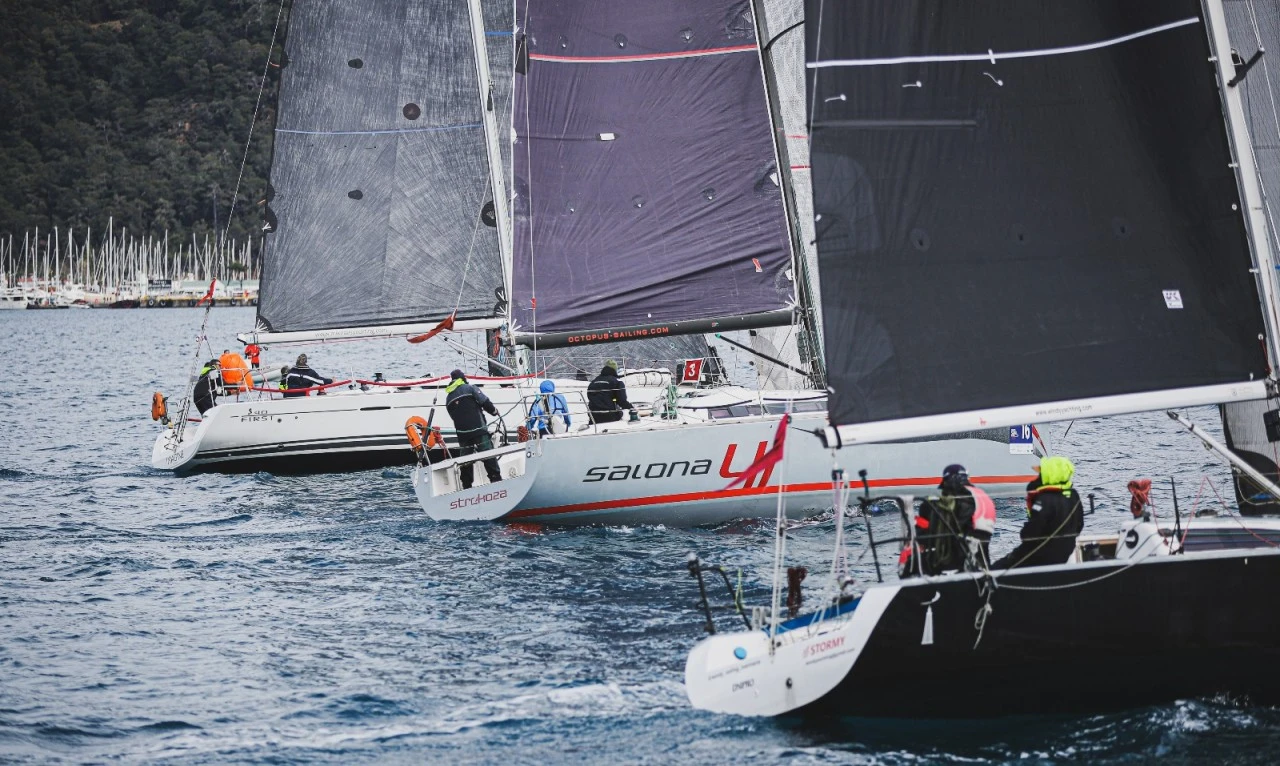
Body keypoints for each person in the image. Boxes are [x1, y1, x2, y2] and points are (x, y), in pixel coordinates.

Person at [991, 456, 1085, 569]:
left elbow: (1028, 535)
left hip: (1038, 555)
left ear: (1049, 474)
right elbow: (1079, 525)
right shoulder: (1074, 495)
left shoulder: (1044, 500)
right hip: (1064, 553)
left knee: (997, 568)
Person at [901, 464, 995, 576]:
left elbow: (947, 525)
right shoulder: (981, 495)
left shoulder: (963, 497)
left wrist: (926, 508)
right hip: (981, 556)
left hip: (962, 555)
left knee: (913, 563)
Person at [445, 369, 503, 488]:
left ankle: (466, 485)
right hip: (478, 430)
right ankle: (496, 479)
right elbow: (484, 402)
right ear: (462, 378)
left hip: (462, 434)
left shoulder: (448, 398)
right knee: (487, 453)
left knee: (466, 459)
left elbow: (452, 416)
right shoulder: (470, 388)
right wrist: (494, 411)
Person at [587, 360, 634, 424]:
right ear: (615, 370)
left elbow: (589, 397)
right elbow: (622, 401)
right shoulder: (617, 382)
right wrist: (632, 408)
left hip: (593, 417)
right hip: (610, 417)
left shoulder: (593, 382)